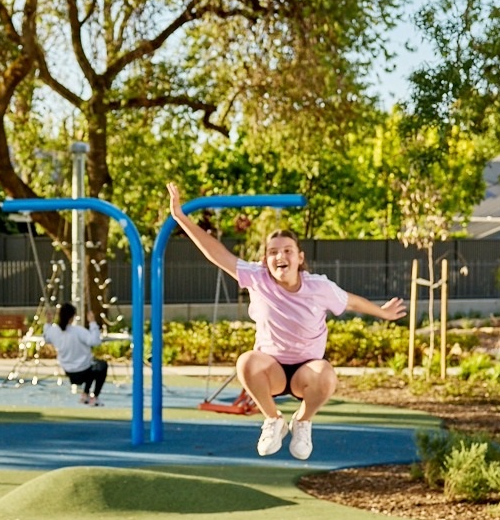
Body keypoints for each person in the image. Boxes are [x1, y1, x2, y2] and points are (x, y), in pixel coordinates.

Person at [167, 182, 404, 460]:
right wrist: (181, 218)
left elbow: (350, 301)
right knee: (246, 361)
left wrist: (382, 312)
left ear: (300, 257)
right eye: (273, 252)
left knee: (326, 373)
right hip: (272, 370)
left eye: (288, 250)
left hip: (306, 370)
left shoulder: (318, 287)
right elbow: (217, 253)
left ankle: (302, 422)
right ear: (266, 259)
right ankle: (273, 420)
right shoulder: (257, 277)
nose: (280, 256)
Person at [43, 304, 108, 406]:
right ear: (72, 317)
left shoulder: (53, 331)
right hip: (84, 370)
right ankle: (94, 396)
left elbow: (46, 337)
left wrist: (48, 322)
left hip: (69, 371)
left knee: (92, 363)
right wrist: (92, 322)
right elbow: (95, 341)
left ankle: (85, 395)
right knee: (101, 365)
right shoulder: (78, 331)